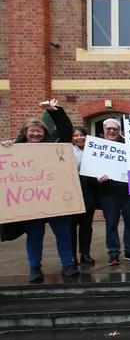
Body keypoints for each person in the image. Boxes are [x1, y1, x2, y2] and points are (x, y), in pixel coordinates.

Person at [1, 99, 79, 282]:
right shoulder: (14, 150)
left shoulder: (52, 145)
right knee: (35, 236)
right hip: (32, 202)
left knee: (63, 233)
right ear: (25, 133)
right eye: (32, 131)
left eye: (39, 131)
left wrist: (54, 111)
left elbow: (66, 130)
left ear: (44, 132)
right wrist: (6, 148)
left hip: (55, 199)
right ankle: (34, 267)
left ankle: (68, 264)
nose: (36, 134)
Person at [96, 118, 130, 265]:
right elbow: (89, 171)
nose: (111, 131)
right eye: (108, 128)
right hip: (108, 193)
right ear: (103, 129)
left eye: (114, 129)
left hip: (129, 192)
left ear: (119, 130)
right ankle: (113, 253)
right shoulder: (97, 147)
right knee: (111, 223)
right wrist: (96, 179)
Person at [70, 126, 97, 265]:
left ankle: (85, 253)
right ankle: (72, 255)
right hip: (72, 192)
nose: (79, 138)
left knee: (86, 226)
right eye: (76, 136)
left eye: (81, 135)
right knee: (71, 226)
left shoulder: (94, 150)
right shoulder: (68, 150)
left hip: (88, 192)